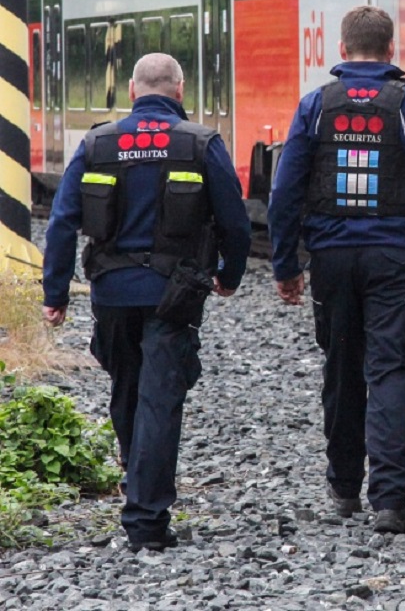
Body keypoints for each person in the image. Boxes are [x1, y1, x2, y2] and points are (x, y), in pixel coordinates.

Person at [42, 53, 251, 553]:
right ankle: (146, 519)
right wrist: (229, 275)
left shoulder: (97, 143)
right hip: (173, 296)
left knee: (129, 390)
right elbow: (235, 221)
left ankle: (140, 491)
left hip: (112, 294)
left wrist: (55, 295)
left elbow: (62, 223)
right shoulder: (201, 143)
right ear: (180, 90)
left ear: (132, 92)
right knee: (160, 399)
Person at [268, 5, 405, 535]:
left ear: (341, 49)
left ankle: (343, 488)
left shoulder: (315, 107)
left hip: (330, 258)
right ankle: (390, 502)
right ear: (390, 50)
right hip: (391, 260)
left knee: (341, 363)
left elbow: (284, 194)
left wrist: (287, 264)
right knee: (391, 367)